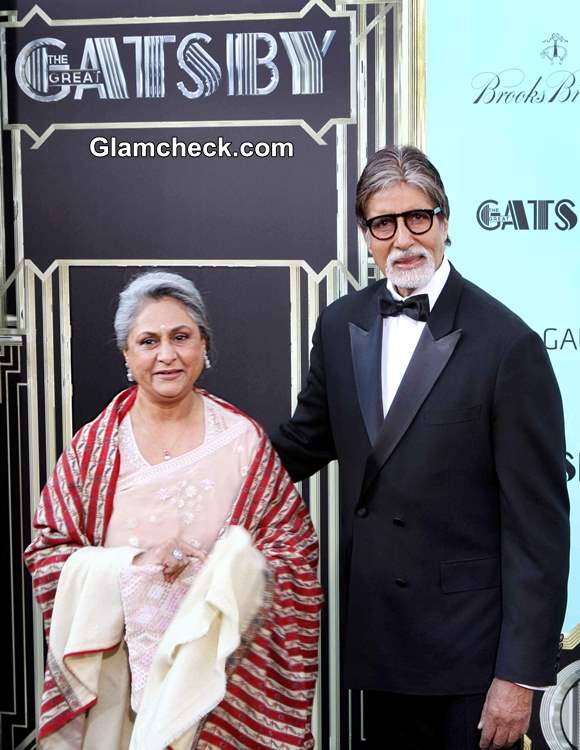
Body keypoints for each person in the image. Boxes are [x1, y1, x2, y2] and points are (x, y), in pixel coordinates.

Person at [271, 146, 570, 750]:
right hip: (380, 640)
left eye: (419, 217)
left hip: (472, 659)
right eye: (384, 223)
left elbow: (540, 530)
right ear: (366, 234)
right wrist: (199, 465)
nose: (404, 238)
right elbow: (303, 443)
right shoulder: (340, 324)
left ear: (445, 220)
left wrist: (519, 675)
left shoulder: (508, 345)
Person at [25, 271, 322, 749]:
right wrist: (132, 568)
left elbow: (294, 558)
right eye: (148, 341)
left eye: (181, 337)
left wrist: (218, 579)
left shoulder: (243, 441)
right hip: (117, 690)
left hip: (220, 683)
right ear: (127, 354)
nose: (167, 355)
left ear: (204, 345)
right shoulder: (93, 451)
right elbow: (48, 553)